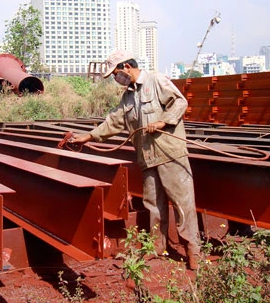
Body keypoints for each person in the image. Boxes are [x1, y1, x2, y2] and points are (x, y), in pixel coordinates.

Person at [70, 50, 201, 270]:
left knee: (182, 203)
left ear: (127, 67)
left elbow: (179, 102)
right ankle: (157, 249)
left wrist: (162, 122)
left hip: (170, 153)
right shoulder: (128, 97)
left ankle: (193, 251)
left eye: (116, 73)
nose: (116, 78)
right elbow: (114, 121)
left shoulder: (156, 80)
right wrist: (89, 136)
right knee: (154, 206)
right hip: (147, 158)